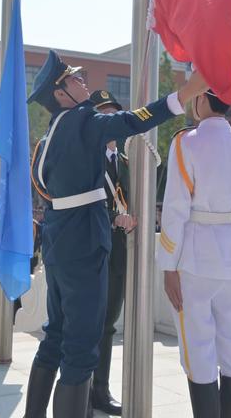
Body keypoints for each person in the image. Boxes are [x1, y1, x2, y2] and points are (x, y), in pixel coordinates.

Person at [23, 50, 207, 418]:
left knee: (55, 336)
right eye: (75, 80)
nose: (83, 83)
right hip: (83, 245)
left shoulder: (51, 133)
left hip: (60, 243)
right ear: (60, 94)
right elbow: (131, 121)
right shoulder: (80, 121)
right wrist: (183, 95)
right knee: (80, 348)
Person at [156, 90, 231, 417]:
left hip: (194, 259)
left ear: (202, 101)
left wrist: (168, 265)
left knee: (198, 350)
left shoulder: (186, 143)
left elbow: (175, 208)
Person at [88, 90, 136, 417]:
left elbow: (133, 202)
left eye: (114, 114)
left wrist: (132, 219)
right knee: (87, 325)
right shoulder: (85, 159)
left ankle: (99, 390)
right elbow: (82, 208)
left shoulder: (128, 163)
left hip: (118, 252)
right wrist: (112, 217)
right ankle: (82, 388)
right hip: (91, 252)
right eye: (104, 115)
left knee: (107, 326)